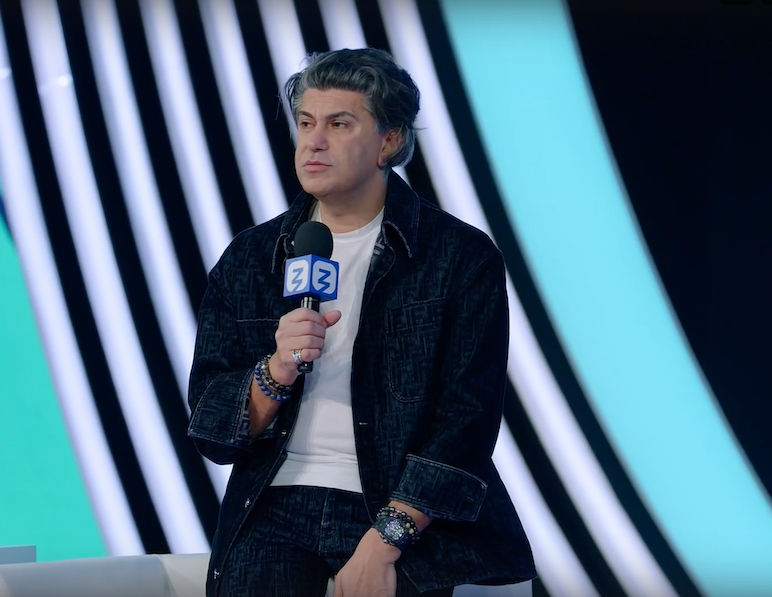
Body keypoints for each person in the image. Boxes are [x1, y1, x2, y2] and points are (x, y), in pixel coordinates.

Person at [187, 47, 535, 597]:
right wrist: (275, 371)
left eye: (339, 124)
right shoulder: (251, 258)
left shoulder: (459, 258)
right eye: (306, 123)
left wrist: (384, 541)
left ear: (389, 141)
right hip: (273, 503)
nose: (313, 142)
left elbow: (465, 422)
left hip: (399, 507)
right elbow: (211, 427)